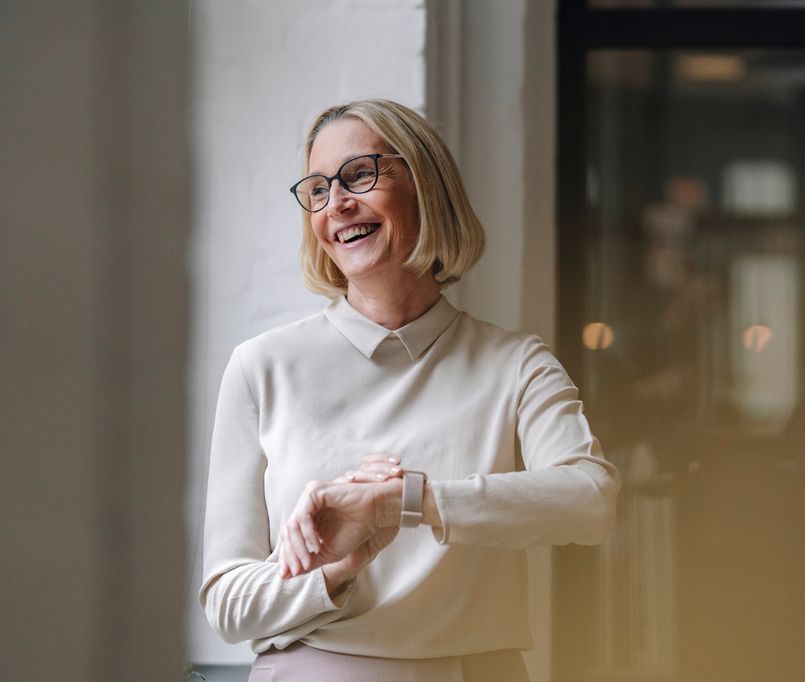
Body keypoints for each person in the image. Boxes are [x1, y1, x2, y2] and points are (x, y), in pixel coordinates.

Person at [199, 99, 620, 681]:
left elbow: (590, 500)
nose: (337, 203)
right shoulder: (261, 368)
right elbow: (228, 603)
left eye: (360, 175)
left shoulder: (516, 364)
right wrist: (337, 568)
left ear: (427, 186)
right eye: (318, 189)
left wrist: (407, 502)